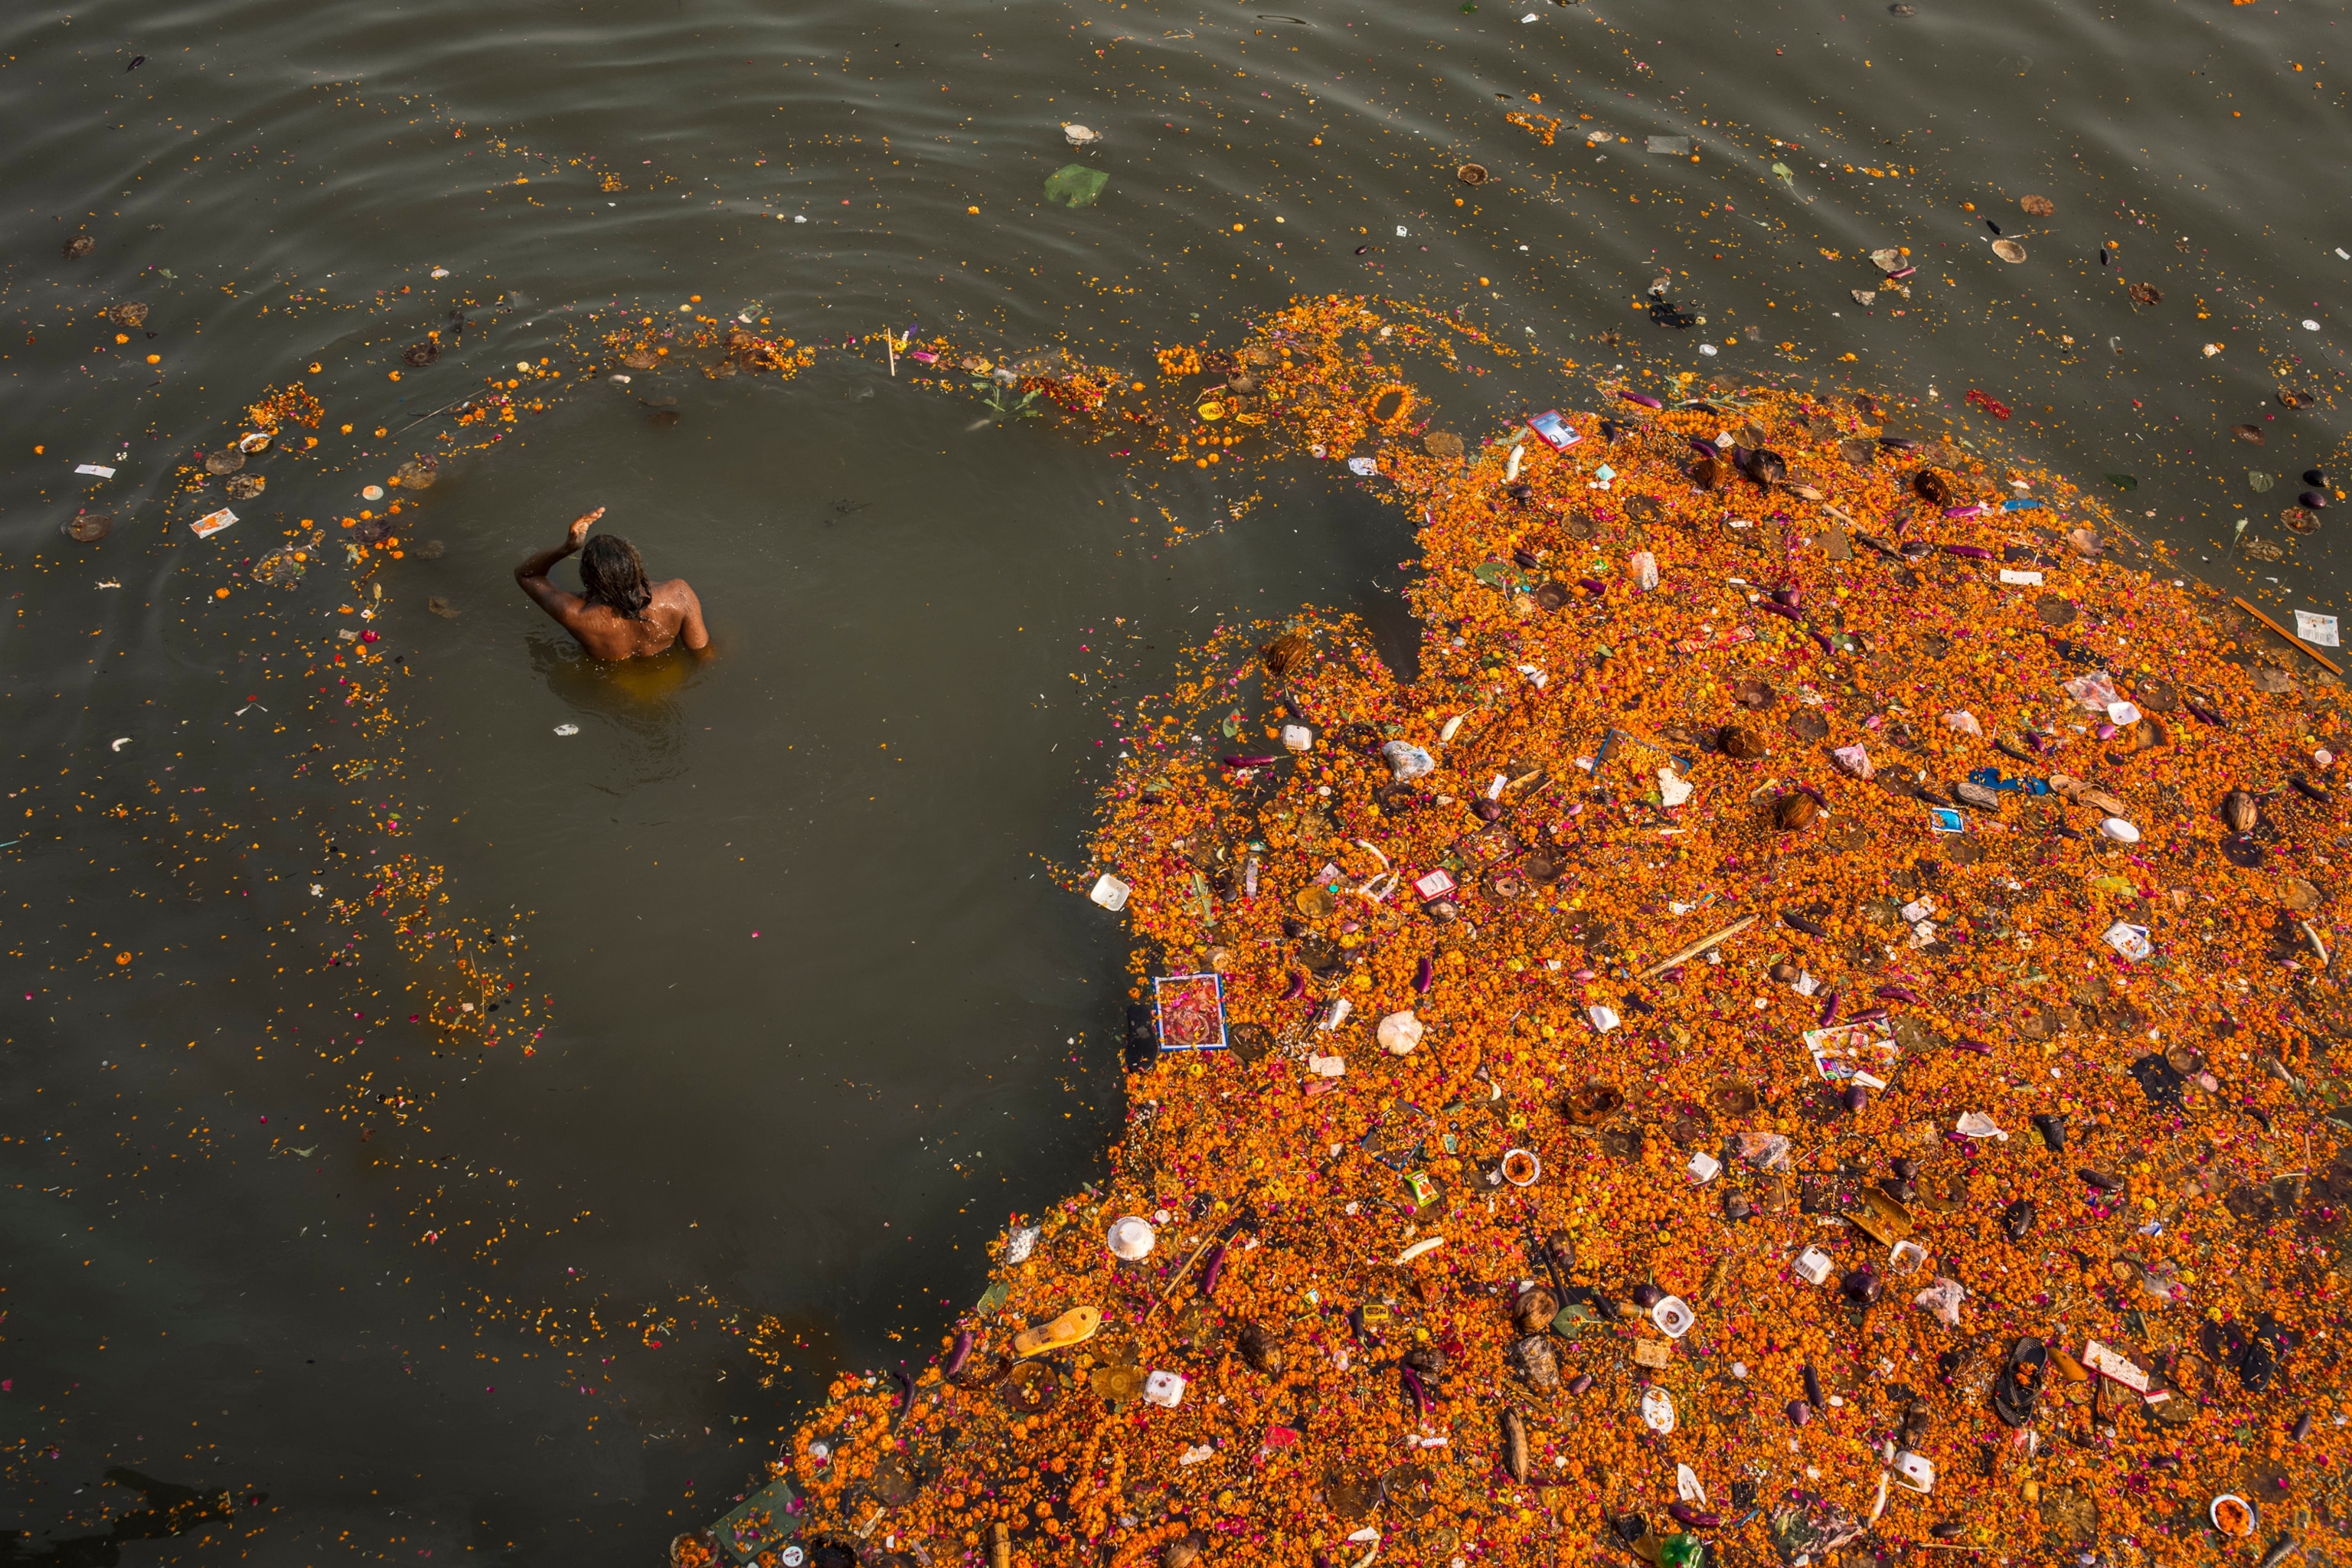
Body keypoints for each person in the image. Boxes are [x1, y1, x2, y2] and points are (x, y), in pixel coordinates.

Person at [514, 508, 708, 660]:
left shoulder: (575, 615)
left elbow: (526, 575)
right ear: (635, 565)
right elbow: (703, 653)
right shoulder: (678, 594)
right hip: (667, 681)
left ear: (588, 578)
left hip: (615, 688)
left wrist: (566, 548)